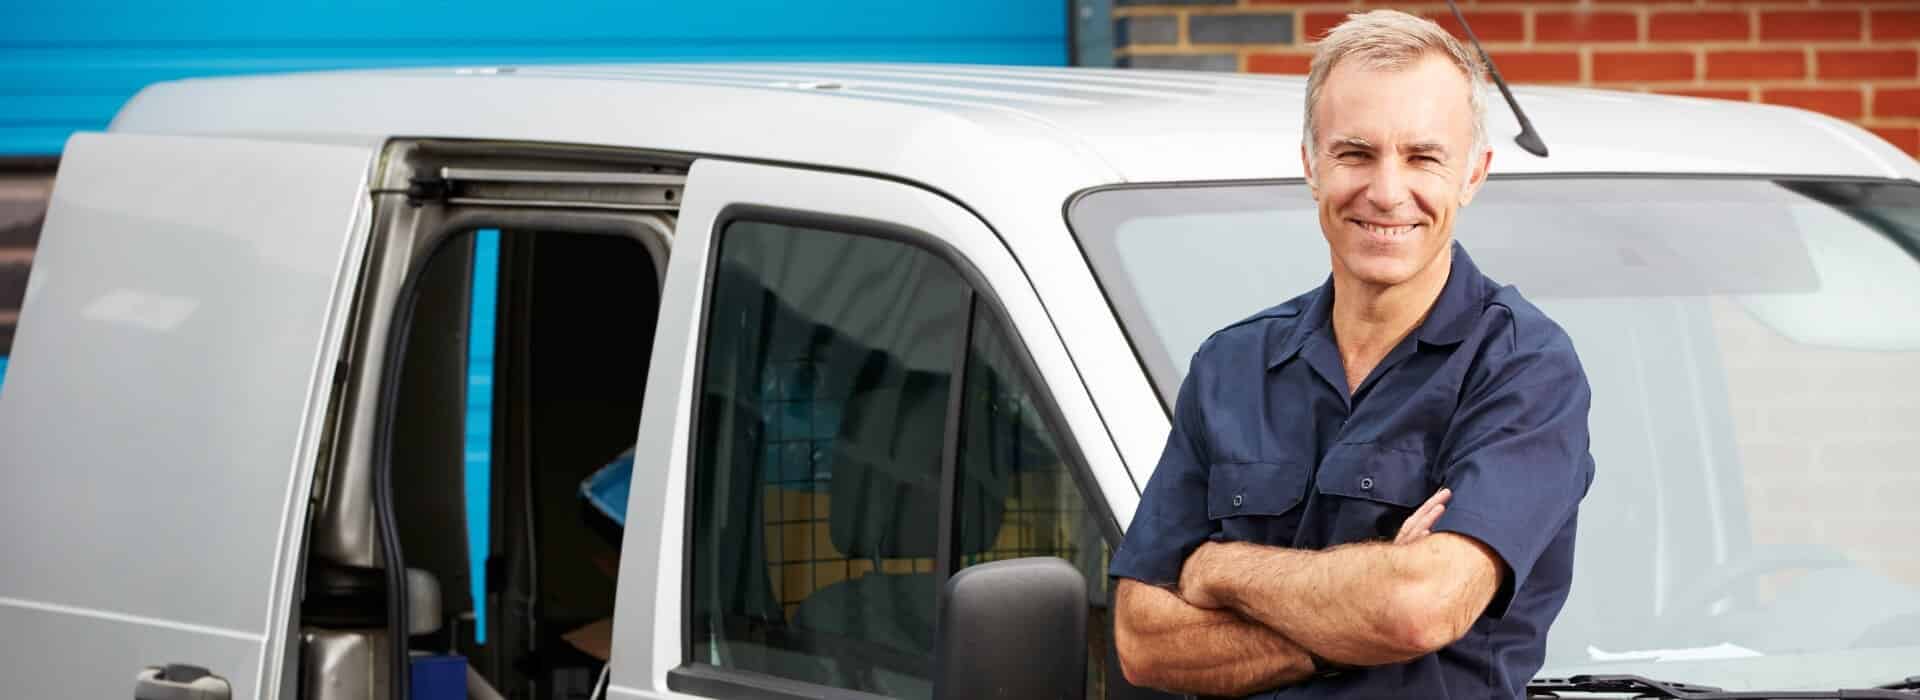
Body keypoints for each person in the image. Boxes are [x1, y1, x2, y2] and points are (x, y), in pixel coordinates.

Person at [1107, 9, 1596, 699]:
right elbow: (1144, 641)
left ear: (1473, 175)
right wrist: (1356, 616)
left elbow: (1417, 608)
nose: (1388, 190)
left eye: (1423, 156)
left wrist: (1219, 572)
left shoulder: (1521, 369)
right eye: (1356, 153)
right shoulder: (1231, 368)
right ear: (1312, 164)